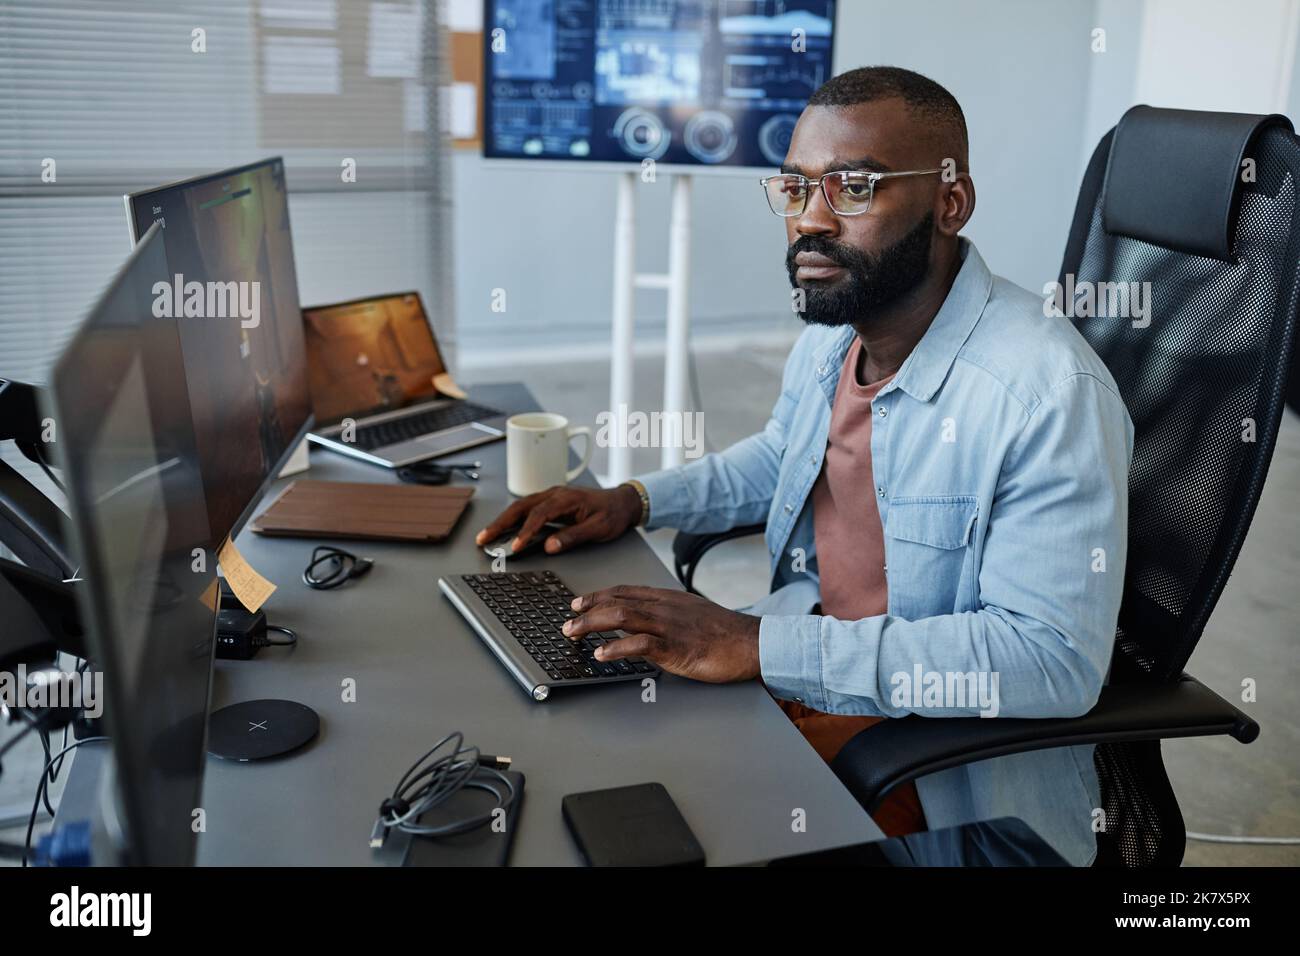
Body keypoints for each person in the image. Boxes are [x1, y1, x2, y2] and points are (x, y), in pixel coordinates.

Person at [476, 66, 1134, 866]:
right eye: (794, 188)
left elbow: (1050, 661)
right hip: (820, 675)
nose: (809, 222)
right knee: (589, 758)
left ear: (950, 203)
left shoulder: (1043, 393)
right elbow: (786, 457)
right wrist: (636, 499)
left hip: (943, 783)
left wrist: (760, 646)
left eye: (853, 188)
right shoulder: (839, 329)